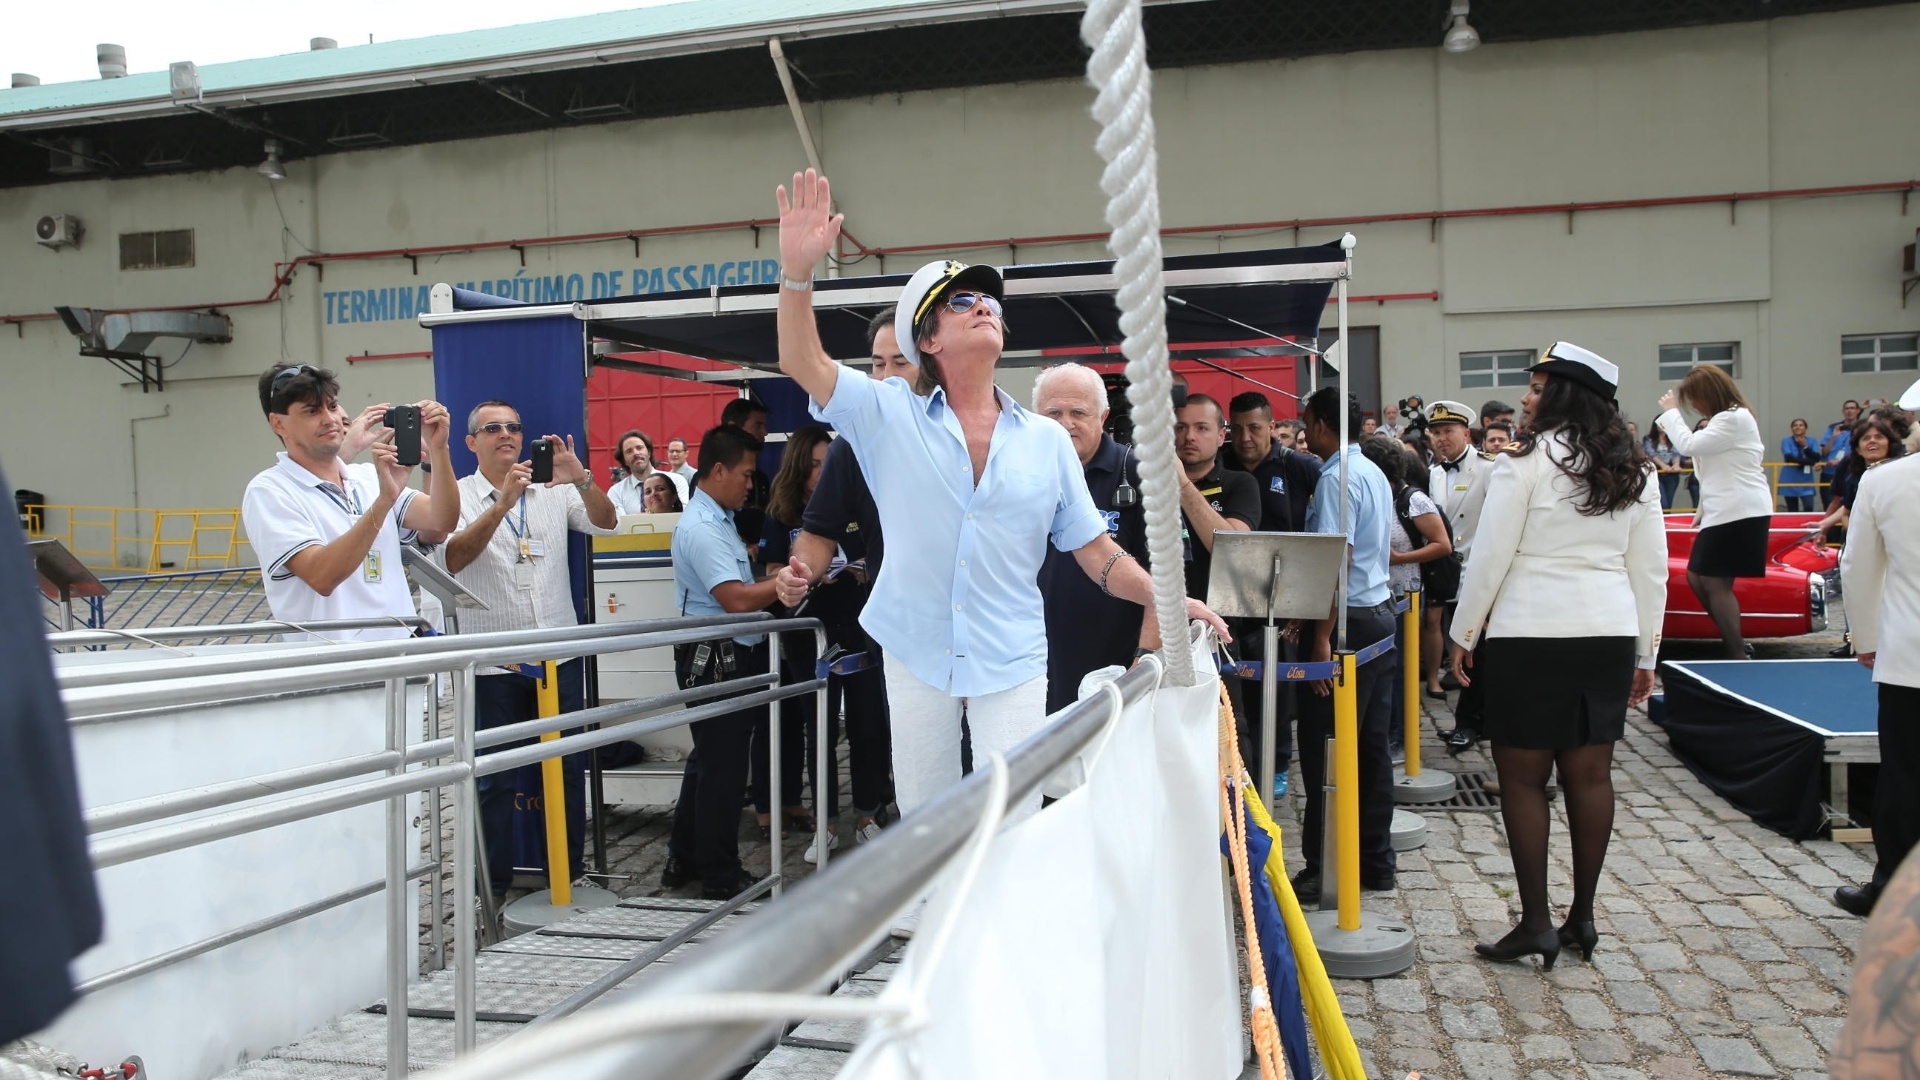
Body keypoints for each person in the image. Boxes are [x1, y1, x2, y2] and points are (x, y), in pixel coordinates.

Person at [768, 168, 1230, 831]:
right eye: (960, 303)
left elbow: (1096, 553)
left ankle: (1004, 930)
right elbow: (801, 359)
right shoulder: (887, 413)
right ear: (926, 340)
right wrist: (796, 274)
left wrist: (1165, 598)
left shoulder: (1044, 441)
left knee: (1013, 812)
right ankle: (934, 930)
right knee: (927, 820)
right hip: (914, 641)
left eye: (988, 300)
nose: (983, 305)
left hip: (1011, 651)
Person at [1450, 342, 1667, 970]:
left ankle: (1537, 922)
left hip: (1530, 631)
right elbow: (1649, 571)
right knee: (1591, 777)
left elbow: (1491, 555)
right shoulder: (1637, 469)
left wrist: (1465, 634)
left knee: (1522, 778)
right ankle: (1583, 918)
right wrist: (1647, 653)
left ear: (1565, 395)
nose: (1526, 396)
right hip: (1606, 631)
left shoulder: (1523, 461)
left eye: (1538, 387)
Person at [444, 400, 619, 903]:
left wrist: (581, 478)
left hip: (555, 658)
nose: (507, 435)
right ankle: (492, 889)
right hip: (493, 663)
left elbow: (607, 524)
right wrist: (501, 504)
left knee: (564, 770)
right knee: (494, 780)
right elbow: (452, 558)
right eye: (492, 428)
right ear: (470, 442)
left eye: (515, 427)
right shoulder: (456, 496)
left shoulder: (553, 491)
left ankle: (567, 873)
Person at [782, 310, 913, 848]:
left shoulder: (972, 428)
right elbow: (817, 535)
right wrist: (800, 575)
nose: (885, 376)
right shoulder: (850, 447)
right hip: (900, 634)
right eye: (876, 364)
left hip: (982, 634)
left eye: (898, 362)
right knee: (915, 758)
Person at [242, 363, 459, 641]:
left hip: (403, 664)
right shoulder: (270, 490)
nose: (329, 419)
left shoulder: (366, 476)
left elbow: (442, 520)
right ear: (278, 423)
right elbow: (322, 576)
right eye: (311, 411)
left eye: (332, 407)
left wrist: (439, 450)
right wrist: (383, 503)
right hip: (338, 671)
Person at [664, 425, 787, 900]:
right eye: (745, 474)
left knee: (708, 761)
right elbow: (735, 599)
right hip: (718, 656)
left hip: (722, 651)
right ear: (718, 471)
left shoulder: (717, 517)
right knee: (724, 769)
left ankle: (684, 857)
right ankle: (720, 873)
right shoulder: (702, 526)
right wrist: (786, 583)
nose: (750, 485)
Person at [1289, 387, 1401, 899]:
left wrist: (1321, 638)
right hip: (1378, 614)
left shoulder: (1338, 478)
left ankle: (1325, 865)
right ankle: (1375, 858)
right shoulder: (1372, 470)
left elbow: (1338, 561)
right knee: (1370, 748)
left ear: (1321, 424)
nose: (1304, 430)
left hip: (1349, 623)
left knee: (1326, 750)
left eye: (1307, 421)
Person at [1830, 431, 1920, 918]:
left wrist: (1866, 638)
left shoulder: (1885, 480)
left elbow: (1859, 566)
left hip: (1912, 653)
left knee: (1906, 775)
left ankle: (1894, 887)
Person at [1034, 363, 1148, 713]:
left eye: (1078, 412)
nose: (1066, 424)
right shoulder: (1016, 474)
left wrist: (1144, 662)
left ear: (1103, 417)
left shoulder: (1139, 475)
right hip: (1033, 668)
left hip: (1113, 670)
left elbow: (1168, 578)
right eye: (1053, 413)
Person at [1223, 389, 1319, 788]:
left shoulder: (1297, 467)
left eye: (1256, 428)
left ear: (1273, 428)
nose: (1246, 438)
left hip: (1283, 598)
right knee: (1240, 685)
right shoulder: (1223, 464)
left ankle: (1278, 760)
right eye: (1239, 429)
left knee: (1277, 686)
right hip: (1230, 595)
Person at [1655, 365, 1773, 659]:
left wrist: (1671, 413)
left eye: (1695, 398)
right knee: (1698, 577)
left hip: (1739, 509)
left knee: (1712, 580)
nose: (1693, 405)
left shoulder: (1734, 418)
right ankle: (1733, 639)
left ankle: (1736, 652)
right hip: (1727, 510)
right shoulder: (1726, 420)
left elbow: (1688, 445)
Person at [756, 425, 834, 860]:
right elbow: (769, 572)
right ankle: (807, 815)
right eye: (815, 463)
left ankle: (848, 812)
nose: (821, 472)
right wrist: (795, 578)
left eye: (828, 463)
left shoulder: (842, 500)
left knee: (851, 721)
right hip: (799, 629)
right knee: (806, 720)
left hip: (844, 622)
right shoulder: (781, 510)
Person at [1424, 400, 1493, 751]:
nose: (1441, 439)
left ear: (1466, 433)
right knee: (1454, 646)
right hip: (1445, 572)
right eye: (1435, 433)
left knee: (1474, 653)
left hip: (1476, 573)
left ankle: (1471, 722)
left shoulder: (1488, 469)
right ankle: (1471, 720)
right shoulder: (1435, 472)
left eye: (1448, 431)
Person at [1816, 412, 1910, 540]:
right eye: (1866, 438)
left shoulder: (1907, 470)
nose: (1872, 441)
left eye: (1879, 436)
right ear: (1858, 449)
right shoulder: (1853, 475)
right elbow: (1846, 509)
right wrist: (1824, 526)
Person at [608, 429, 688, 512]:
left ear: (649, 452)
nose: (635, 453)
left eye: (639, 448)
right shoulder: (616, 492)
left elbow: (683, 513)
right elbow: (622, 523)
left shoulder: (676, 480)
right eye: (629, 451)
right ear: (624, 460)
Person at [1821, 400, 1862, 507]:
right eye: (1847, 408)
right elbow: (1824, 452)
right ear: (1843, 411)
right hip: (1830, 472)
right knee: (1829, 503)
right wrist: (1834, 436)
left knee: (1851, 505)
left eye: (1852, 408)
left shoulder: (1863, 428)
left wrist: (1840, 462)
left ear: (1858, 411)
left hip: (1851, 470)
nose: (1849, 411)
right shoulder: (1833, 428)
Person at [1777, 419, 1822, 512]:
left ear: (1806, 428)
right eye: (1795, 425)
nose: (1798, 427)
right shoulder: (1786, 440)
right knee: (1792, 509)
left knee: (1809, 506)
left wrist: (1805, 446)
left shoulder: (1812, 441)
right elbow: (1789, 458)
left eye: (1801, 425)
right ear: (1792, 428)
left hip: (1806, 479)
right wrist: (1812, 463)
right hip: (1790, 478)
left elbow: (1817, 457)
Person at [1645, 427, 1683, 510]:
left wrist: (1676, 464)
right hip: (1657, 471)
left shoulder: (1673, 438)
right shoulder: (1648, 439)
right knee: (1662, 503)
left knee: (1668, 503)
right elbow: (1651, 453)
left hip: (1671, 473)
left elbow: (1676, 453)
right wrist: (1663, 465)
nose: (1661, 426)